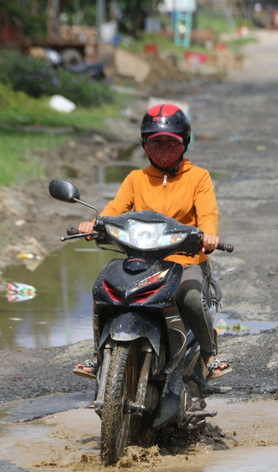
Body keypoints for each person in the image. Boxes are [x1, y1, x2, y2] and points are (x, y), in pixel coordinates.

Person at [73, 104, 232, 381]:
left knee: (192, 297)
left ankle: (209, 356)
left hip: (185, 262)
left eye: (170, 142)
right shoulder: (136, 179)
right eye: (155, 142)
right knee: (103, 289)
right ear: (144, 144)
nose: (162, 148)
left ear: (184, 144)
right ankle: (100, 357)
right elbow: (113, 210)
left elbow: (208, 214)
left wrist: (209, 234)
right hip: (142, 263)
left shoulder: (199, 178)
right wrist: (95, 224)